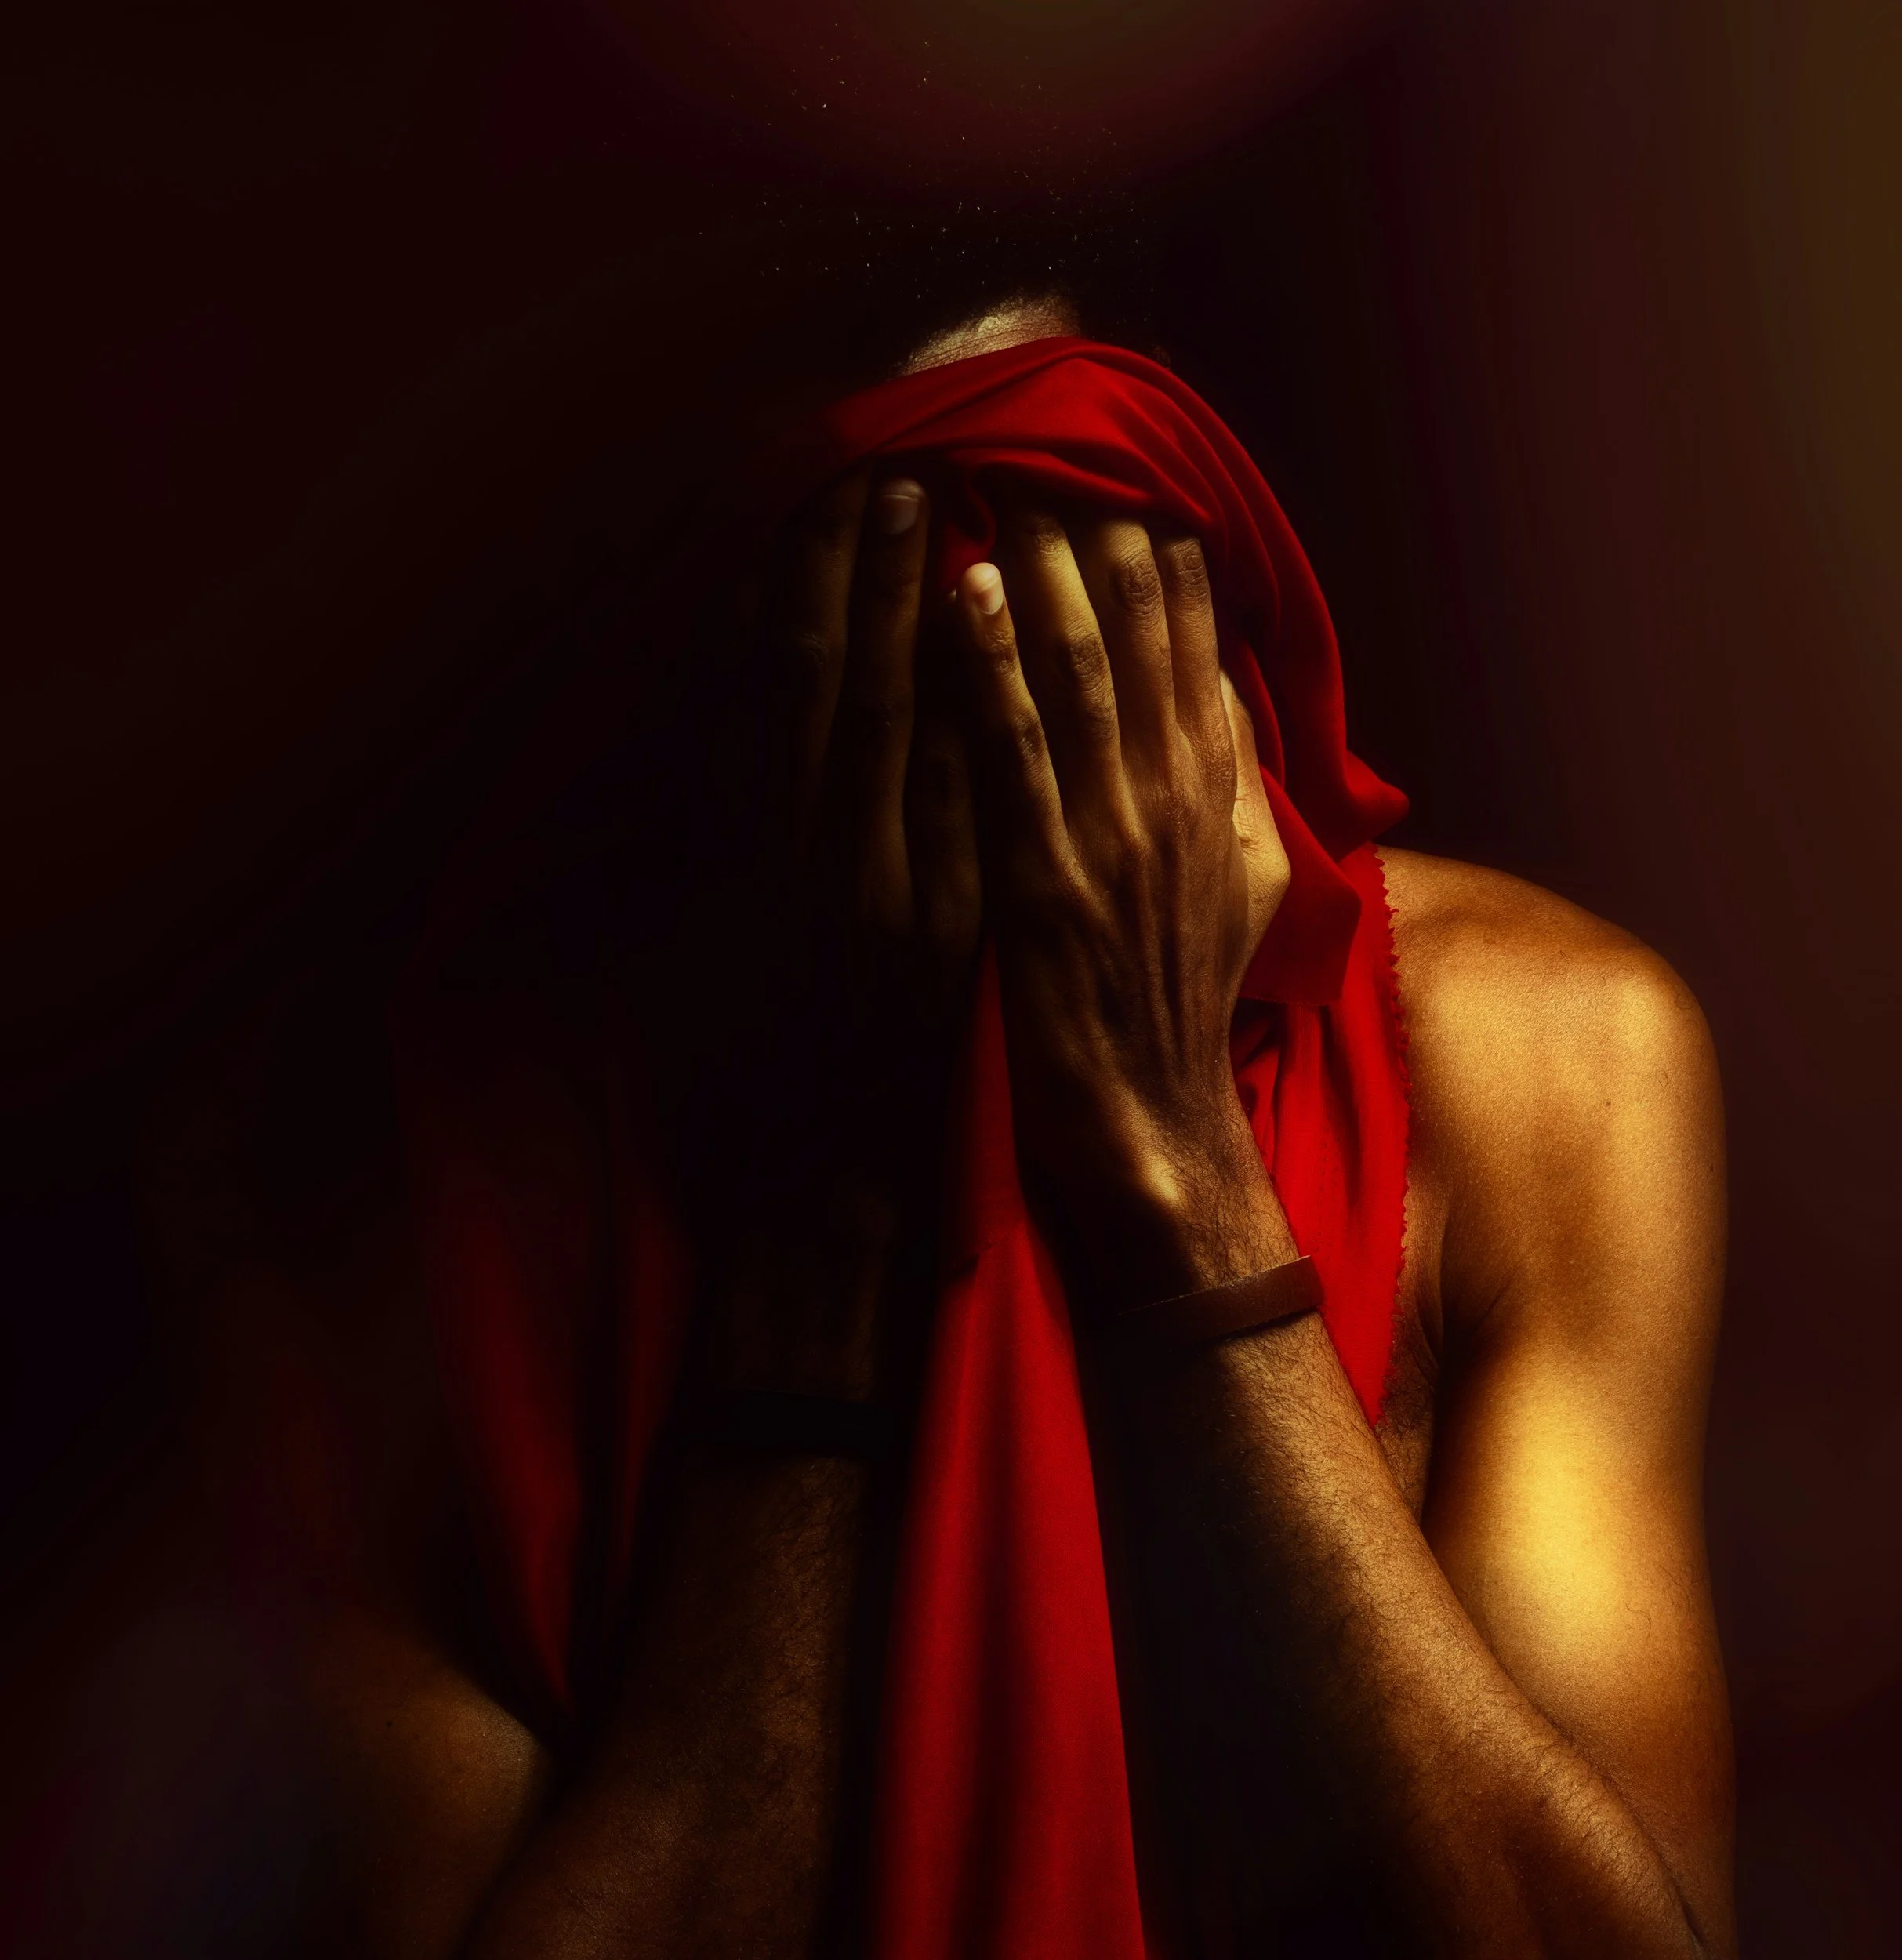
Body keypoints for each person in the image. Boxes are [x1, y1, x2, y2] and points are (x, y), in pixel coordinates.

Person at [150, 289, 1733, 1958]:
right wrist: (825, 1253)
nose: (987, 739)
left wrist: (1182, 1170)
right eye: (861, 662)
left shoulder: (1538, 1056)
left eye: (1060, 626)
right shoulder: (388, 1185)